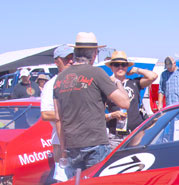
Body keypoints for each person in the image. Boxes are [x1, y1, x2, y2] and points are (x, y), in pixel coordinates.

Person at [53, 32, 130, 177]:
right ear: (94, 54)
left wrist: (63, 149)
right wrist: (117, 82)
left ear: (75, 53)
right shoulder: (96, 73)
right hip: (95, 143)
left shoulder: (60, 79)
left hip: (71, 145)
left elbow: (58, 118)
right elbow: (125, 103)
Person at [104, 50, 158, 146]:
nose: (120, 67)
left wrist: (137, 70)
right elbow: (99, 115)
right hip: (115, 136)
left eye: (123, 65)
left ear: (127, 67)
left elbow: (153, 76)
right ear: (111, 67)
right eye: (116, 65)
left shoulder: (134, 83)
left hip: (135, 133)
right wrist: (112, 115)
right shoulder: (106, 86)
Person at [40, 45, 74, 181]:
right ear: (57, 61)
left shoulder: (80, 81)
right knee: (64, 182)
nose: (70, 61)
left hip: (82, 142)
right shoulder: (51, 85)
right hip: (62, 143)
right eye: (66, 59)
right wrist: (74, 114)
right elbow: (46, 114)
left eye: (72, 58)